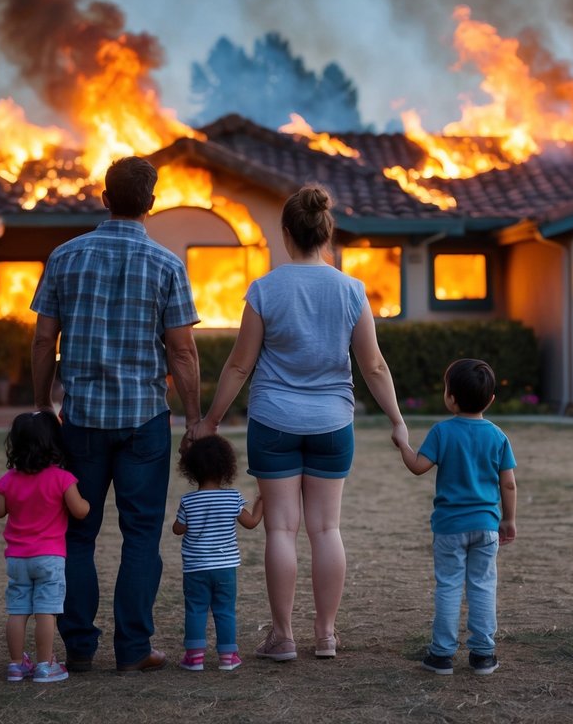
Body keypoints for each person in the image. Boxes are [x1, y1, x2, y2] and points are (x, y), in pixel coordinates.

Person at [188, 184, 409, 661]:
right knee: (326, 530)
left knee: (281, 531)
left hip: (274, 422)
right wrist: (397, 420)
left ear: (286, 232)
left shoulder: (265, 289)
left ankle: (284, 637)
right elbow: (374, 366)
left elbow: (239, 366)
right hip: (333, 423)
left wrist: (210, 420)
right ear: (326, 233)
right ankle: (326, 635)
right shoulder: (351, 290)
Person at [31, 155, 202, 674]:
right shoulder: (168, 264)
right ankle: (133, 648)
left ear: (104, 199)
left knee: (77, 535)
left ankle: (79, 647)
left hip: (80, 422)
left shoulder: (64, 257)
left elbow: (43, 339)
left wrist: (43, 405)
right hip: (145, 420)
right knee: (142, 535)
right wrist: (194, 418)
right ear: (151, 204)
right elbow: (182, 352)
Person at [393, 358, 517, 676]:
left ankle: (442, 655)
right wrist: (509, 519)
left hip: (449, 528)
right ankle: (483, 654)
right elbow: (509, 483)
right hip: (487, 526)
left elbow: (418, 466)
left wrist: (403, 445)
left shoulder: (442, 432)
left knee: (448, 586)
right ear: (490, 399)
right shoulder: (497, 436)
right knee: (483, 586)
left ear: (449, 397)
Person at [0, 411, 91, 683]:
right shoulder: (61, 478)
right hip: (49, 558)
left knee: (18, 610)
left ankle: (15, 664)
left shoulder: (10, 479)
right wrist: (88, 503)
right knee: (46, 610)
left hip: (17, 559)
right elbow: (80, 511)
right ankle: (45, 665)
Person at [172, 435, 264, 672]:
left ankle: (194, 657)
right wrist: (261, 501)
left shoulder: (188, 501)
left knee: (195, 609)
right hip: (225, 568)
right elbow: (252, 522)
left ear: (191, 469)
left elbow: (177, 529)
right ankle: (227, 656)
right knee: (224, 610)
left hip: (195, 568)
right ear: (227, 468)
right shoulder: (232, 497)